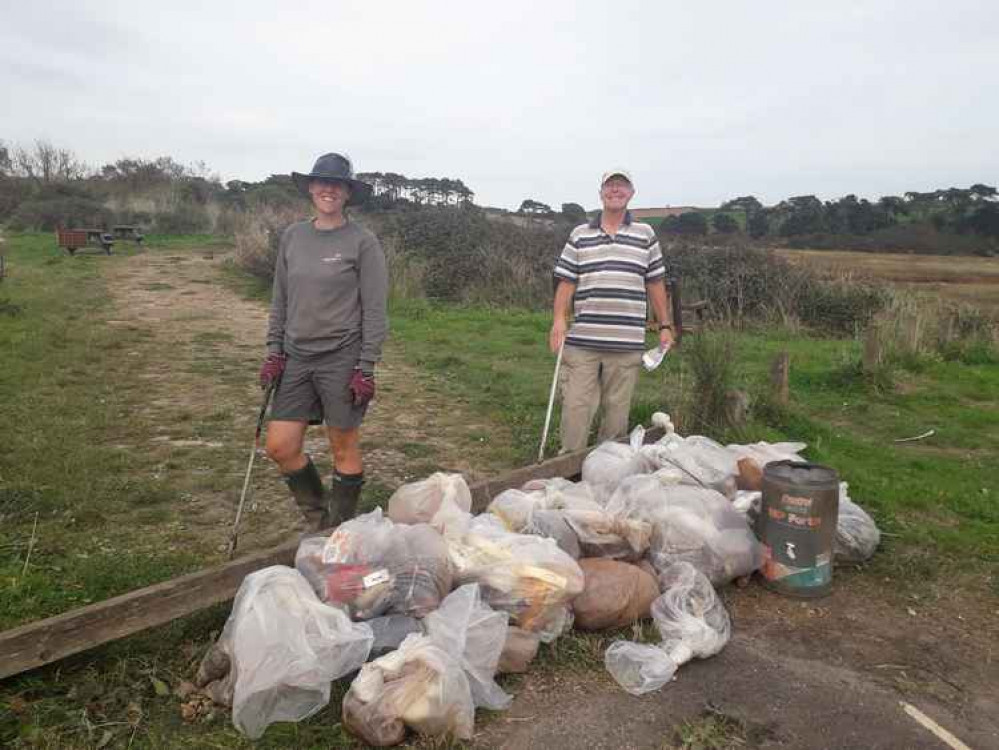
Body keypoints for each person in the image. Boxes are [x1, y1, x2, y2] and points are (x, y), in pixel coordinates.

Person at [259, 152, 388, 529]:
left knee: (343, 448)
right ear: (311, 188)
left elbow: (375, 310)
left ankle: (340, 530)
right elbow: (280, 298)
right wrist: (273, 351)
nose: (328, 189)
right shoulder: (293, 236)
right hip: (296, 356)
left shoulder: (363, 243)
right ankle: (321, 522)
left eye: (337, 184)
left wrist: (365, 367)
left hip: (342, 357)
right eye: (322, 182)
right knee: (280, 446)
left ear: (347, 193)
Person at [549, 168, 674, 453]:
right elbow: (566, 282)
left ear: (631, 193)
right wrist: (558, 320)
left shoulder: (646, 234)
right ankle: (569, 472)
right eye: (610, 185)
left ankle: (606, 469)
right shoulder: (580, 234)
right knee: (575, 409)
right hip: (582, 342)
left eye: (622, 185)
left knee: (616, 416)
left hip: (626, 343)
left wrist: (665, 324)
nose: (615, 190)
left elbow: (655, 282)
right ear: (601, 193)